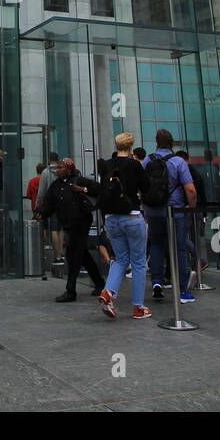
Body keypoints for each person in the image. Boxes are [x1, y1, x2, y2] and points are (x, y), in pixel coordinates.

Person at [96, 133, 152, 319]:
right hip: (132, 216)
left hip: (112, 219)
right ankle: (138, 307)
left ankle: (108, 292)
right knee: (138, 262)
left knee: (120, 258)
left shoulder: (107, 165)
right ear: (130, 146)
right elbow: (146, 187)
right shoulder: (134, 165)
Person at [36, 159, 103, 302]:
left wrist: (82, 189)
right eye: (57, 168)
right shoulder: (56, 185)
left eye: (61, 168)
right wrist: (41, 213)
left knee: (74, 254)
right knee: (82, 254)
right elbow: (49, 203)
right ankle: (100, 283)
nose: (58, 170)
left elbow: (97, 188)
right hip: (68, 223)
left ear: (69, 169)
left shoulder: (79, 180)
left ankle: (70, 290)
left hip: (81, 221)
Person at [143, 130, 196, 305]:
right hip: (175, 211)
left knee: (156, 245)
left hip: (153, 212)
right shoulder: (178, 161)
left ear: (156, 142)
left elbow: (141, 186)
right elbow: (190, 189)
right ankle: (181, 289)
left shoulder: (148, 160)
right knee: (179, 248)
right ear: (171, 143)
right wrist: (191, 206)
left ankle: (157, 281)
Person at [35, 153, 64, 263]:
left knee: (53, 229)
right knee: (61, 229)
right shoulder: (62, 170)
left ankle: (57, 255)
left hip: (52, 203)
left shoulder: (46, 172)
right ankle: (61, 251)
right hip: (63, 202)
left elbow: (41, 192)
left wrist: (38, 206)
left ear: (49, 160)